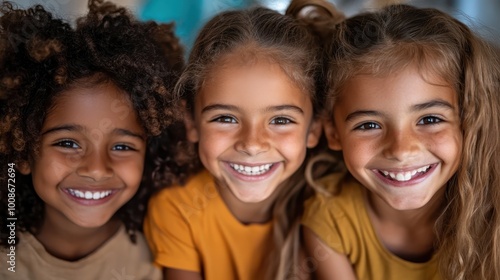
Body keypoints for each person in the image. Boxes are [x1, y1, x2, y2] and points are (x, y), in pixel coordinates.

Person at [301, 4, 500, 280]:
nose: (401, 150)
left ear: (471, 120)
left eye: (429, 120)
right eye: (369, 125)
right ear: (333, 133)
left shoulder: (493, 214)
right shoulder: (331, 221)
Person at [143, 5, 341, 280]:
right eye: (225, 118)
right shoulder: (177, 210)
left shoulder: (332, 205)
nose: (252, 144)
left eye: (281, 120)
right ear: (191, 122)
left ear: (314, 128)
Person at [0, 0, 190, 279]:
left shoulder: (162, 257)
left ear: (149, 153)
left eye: (123, 146)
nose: (97, 168)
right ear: (24, 154)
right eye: (68, 143)